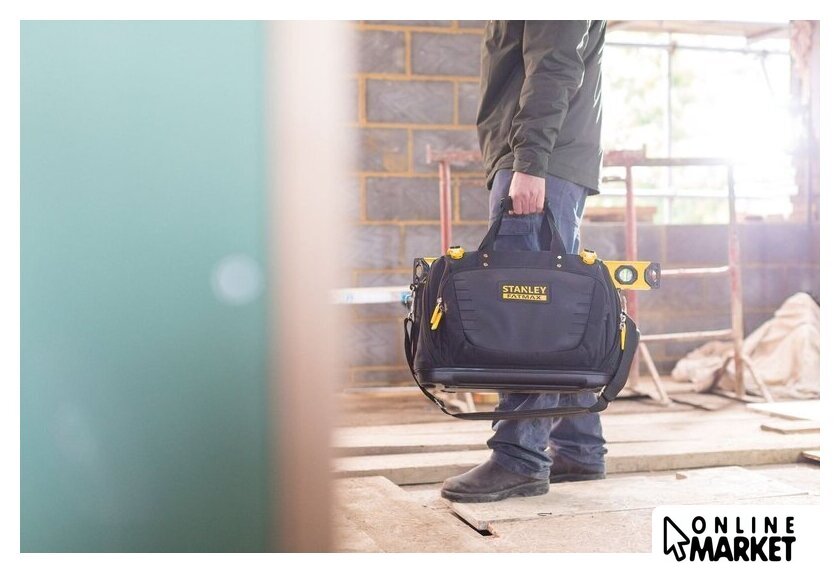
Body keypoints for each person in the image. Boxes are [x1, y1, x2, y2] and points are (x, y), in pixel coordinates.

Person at [441, 20, 607, 503]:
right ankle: (578, 447)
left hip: (538, 161)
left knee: (527, 317)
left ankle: (519, 459)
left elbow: (553, 65)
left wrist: (530, 162)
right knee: (556, 310)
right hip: (539, 159)